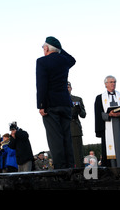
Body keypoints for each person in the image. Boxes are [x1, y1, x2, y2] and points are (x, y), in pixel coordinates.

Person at [36, 36, 76, 169]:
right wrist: (58, 49)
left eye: (43, 47)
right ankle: (70, 167)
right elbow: (72, 59)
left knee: (55, 139)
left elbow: (41, 85)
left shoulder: (42, 61)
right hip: (65, 103)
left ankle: (60, 169)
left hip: (50, 105)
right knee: (66, 137)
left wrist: (41, 105)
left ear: (46, 48)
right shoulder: (64, 61)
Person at [68, 81, 87, 168]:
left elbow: (83, 115)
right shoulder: (57, 100)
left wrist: (79, 109)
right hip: (62, 129)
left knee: (78, 155)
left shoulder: (77, 99)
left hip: (74, 128)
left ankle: (80, 175)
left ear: (71, 88)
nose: (67, 89)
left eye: (68, 87)